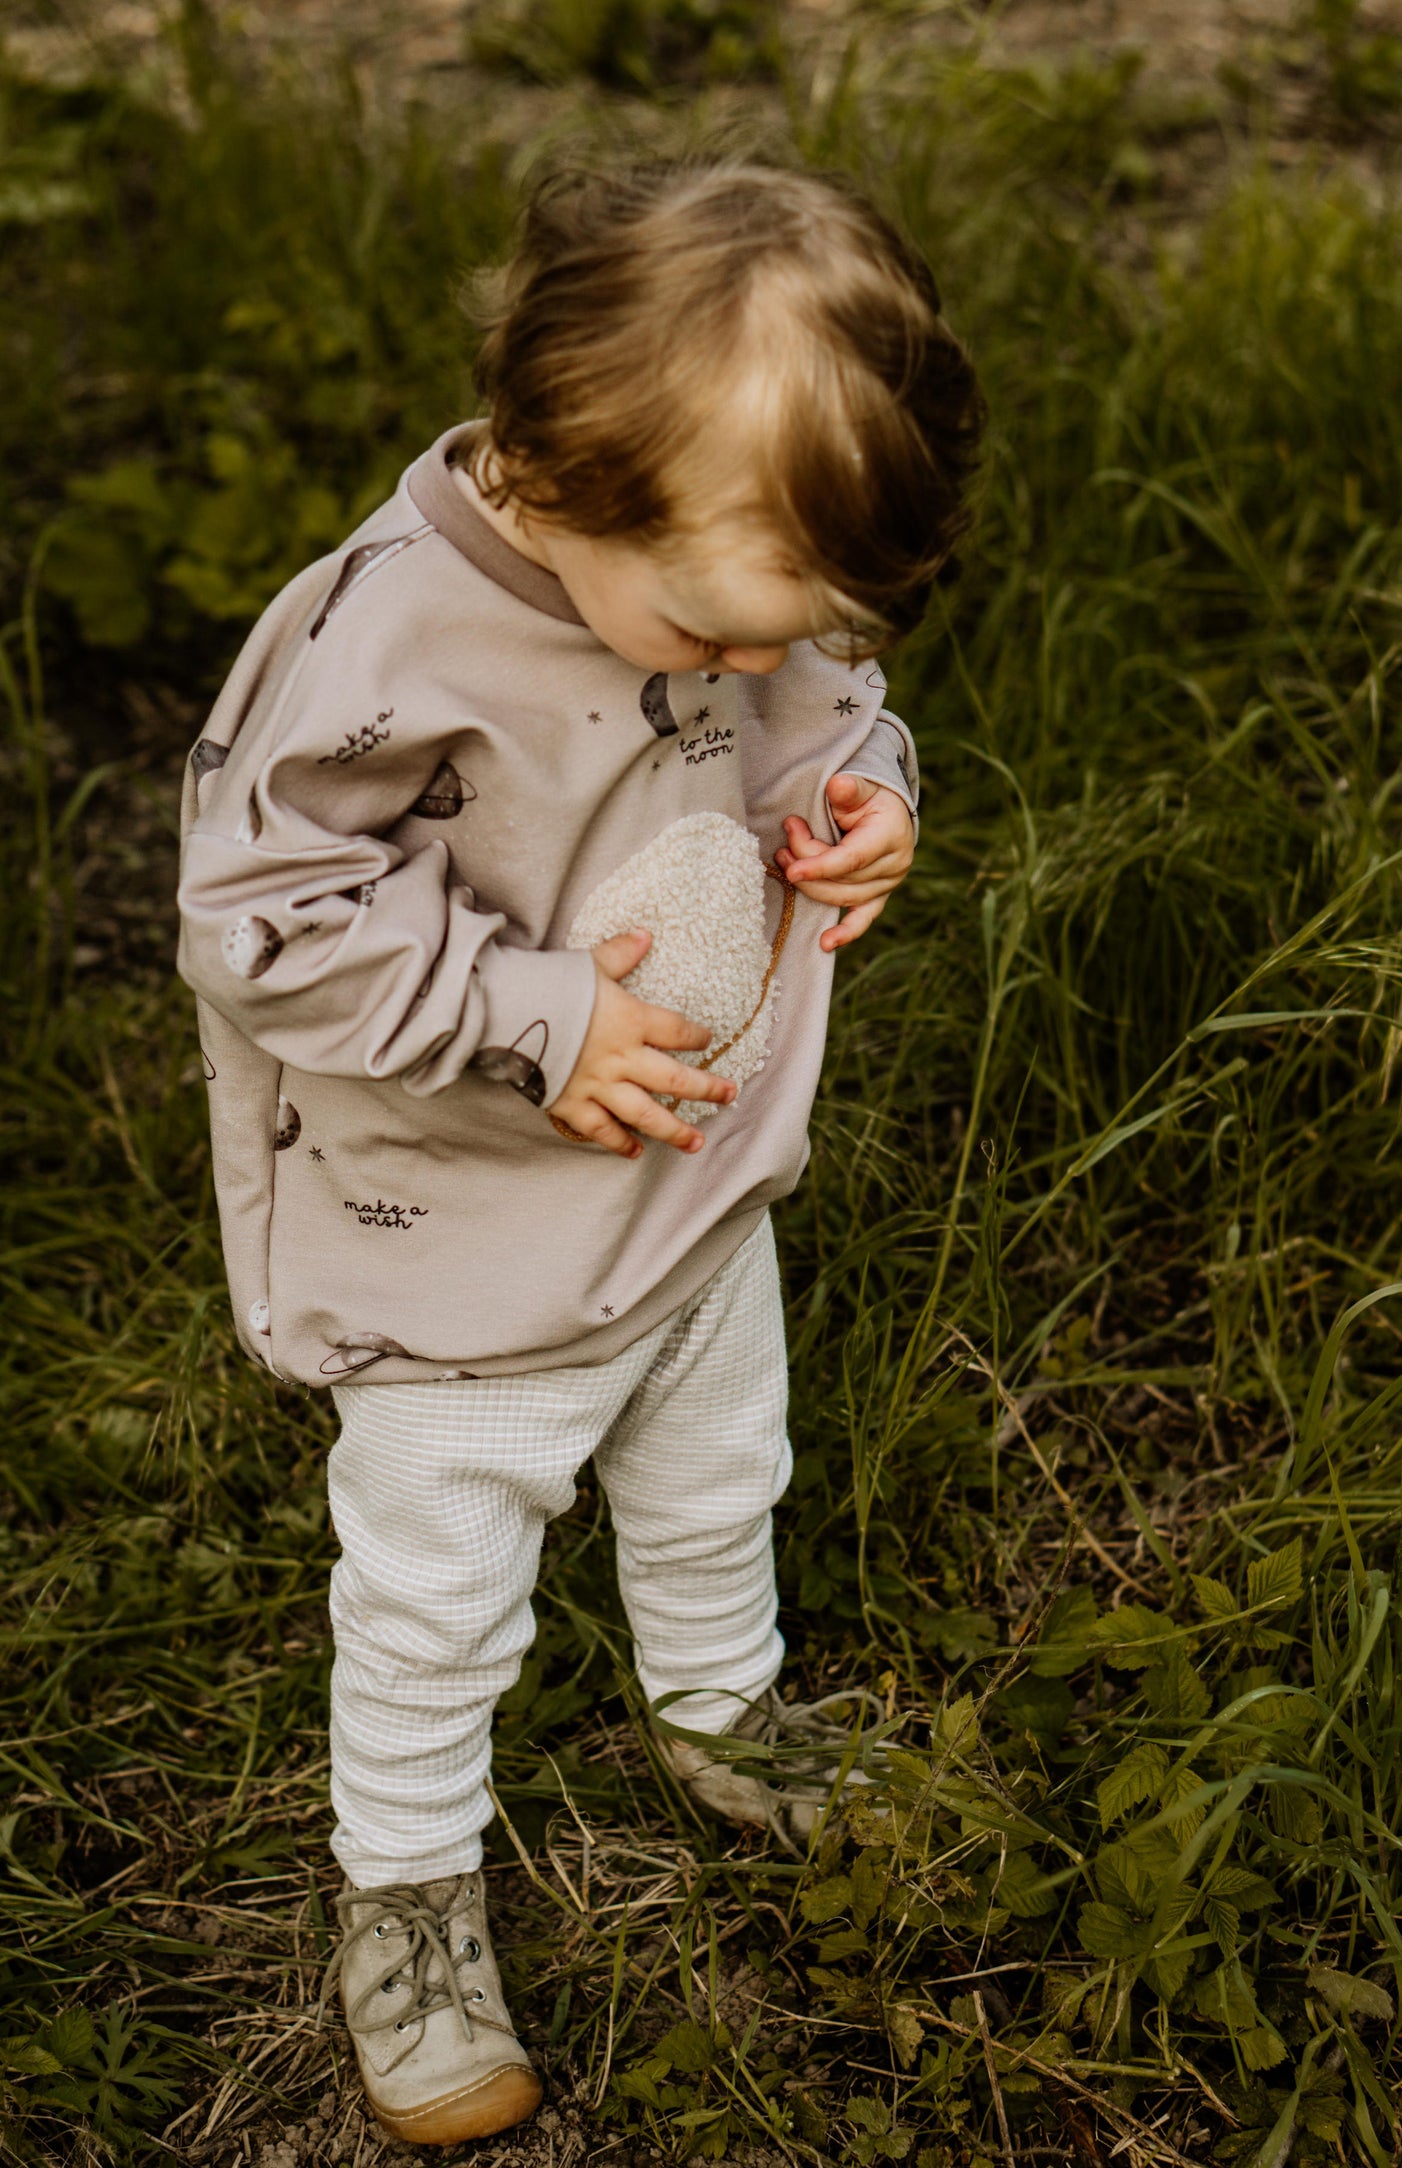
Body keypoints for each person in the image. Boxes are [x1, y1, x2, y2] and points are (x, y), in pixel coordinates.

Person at [176, 156, 984, 2147]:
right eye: (711, 620)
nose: (739, 660)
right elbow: (265, 917)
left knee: (720, 1468)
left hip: (690, 1182)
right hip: (464, 1228)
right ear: (549, 468)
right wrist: (540, 1023)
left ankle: (722, 1700)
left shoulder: (722, 573)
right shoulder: (391, 644)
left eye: (782, 621)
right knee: (442, 1587)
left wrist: (860, 791)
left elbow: (815, 695)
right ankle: (412, 1890)